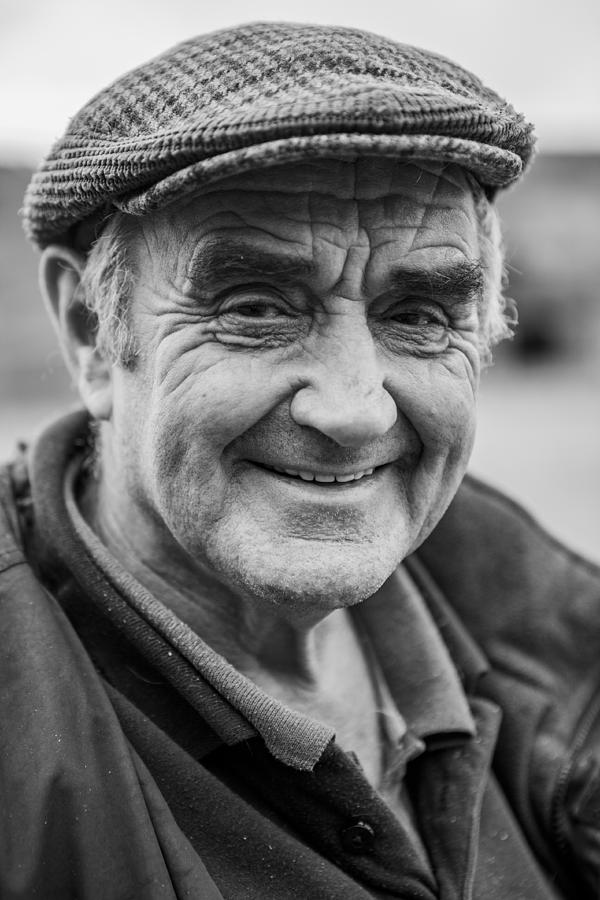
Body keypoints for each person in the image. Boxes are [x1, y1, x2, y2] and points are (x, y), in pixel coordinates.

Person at [1, 21, 599, 900]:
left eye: (420, 316)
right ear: (92, 331)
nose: (354, 411)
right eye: (255, 308)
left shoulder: (539, 613)